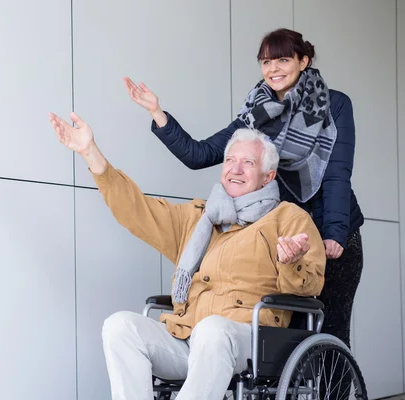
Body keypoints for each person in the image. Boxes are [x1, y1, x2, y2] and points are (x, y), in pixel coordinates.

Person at [48, 111, 326, 400]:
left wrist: (291, 262)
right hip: (187, 336)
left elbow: (311, 285)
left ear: (268, 175)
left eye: (248, 162)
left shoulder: (287, 218)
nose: (236, 169)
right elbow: (136, 209)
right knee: (120, 326)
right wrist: (90, 153)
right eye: (230, 160)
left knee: (212, 329)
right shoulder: (198, 219)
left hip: (250, 340)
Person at [123, 28, 363, 351]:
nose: (273, 69)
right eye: (266, 61)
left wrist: (334, 233)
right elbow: (199, 154)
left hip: (331, 233)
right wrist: (157, 113)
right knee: (286, 343)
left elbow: (336, 174)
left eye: (282, 59)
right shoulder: (255, 115)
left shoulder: (334, 105)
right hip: (282, 236)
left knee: (329, 336)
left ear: (303, 61)